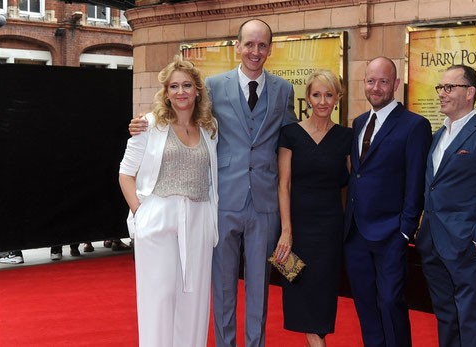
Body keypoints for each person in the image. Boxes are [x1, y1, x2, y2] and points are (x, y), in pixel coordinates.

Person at [130, 18, 296, 347]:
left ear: (270, 50)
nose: (255, 51)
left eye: (262, 45)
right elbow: (183, 114)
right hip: (221, 202)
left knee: (259, 289)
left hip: (264, 203)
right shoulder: (214, 86)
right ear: (237, 46)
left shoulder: (284, 90)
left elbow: (288, 142)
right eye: (249, 44)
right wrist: (146, 122)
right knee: (221, 287)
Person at [119, 55, 218, 347]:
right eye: (174, 86)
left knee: (195, 300)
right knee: (158, 299)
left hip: (199, 218)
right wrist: (141, 214)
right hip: (158, 217)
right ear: (166, 92)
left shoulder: (209, 128)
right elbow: (125, 174)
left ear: (198, 90)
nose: (181, 92)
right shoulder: (148, 125)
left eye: (187, 85)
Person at [416, 65, 476, 347]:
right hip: (432, 243)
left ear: (470, 92)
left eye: (449, 88)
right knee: (446, 316)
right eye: (440, 88)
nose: (441, 94)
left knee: (469, 319)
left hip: (465, 247)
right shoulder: (437, 137)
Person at [344, 56, 432, 347]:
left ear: (395, 84)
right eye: (371, 81)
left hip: (390, 233)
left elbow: (415, 181)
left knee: (390, 302)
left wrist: (405, 231)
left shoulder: (414, 125)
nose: (376, 87)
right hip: (356, 232)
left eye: (383, 81)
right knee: (365, 304)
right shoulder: (357, 123)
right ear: (364, 84)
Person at [276, 70, 352, 347]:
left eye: (328, 95)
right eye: (317, 94)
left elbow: (356, 183)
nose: (322, 101)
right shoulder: (290, 133)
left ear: (337, 98)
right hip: (293, 228)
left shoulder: (346, 137)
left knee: (323, 291)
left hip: (330, 229)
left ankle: (318, 343)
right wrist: (286, 231)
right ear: (307, 97)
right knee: (297, 288)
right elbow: (283, 184)